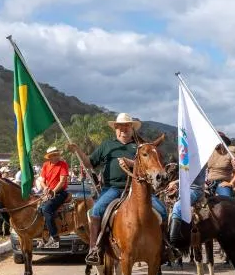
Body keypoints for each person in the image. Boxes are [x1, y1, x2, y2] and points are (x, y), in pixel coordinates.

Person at [68, 112, 168, 265]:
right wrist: (77, 150)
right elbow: (88, 163)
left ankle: (166, 247)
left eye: (127, 126)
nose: (124, 129)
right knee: (96, 211)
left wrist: (130, 162)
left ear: (131, 128)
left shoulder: (139, 146)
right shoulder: (107, 145)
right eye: (120, 127)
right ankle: (94, 249)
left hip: (138, 190)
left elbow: (150, 166)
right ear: (115, 128)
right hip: (113, 188)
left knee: (162, 210)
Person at [167, 132, 235, 243]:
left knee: (178, 206)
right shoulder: (207, 154)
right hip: (208, 182)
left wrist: (232, 183)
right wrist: (176, 183)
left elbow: (192, 176)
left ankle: (173, 241)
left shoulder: (229, 153)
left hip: (215, 184)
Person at [38, 146, 71, 249]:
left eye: (57, 154)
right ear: (49, 157)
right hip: (48, 192)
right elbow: (42, 181)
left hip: (60, 193)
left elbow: (62, 181)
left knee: (46, 209)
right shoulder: (45, 165)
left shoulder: (63, 164)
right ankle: (43, 237)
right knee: (38, 209)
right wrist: (45, 188)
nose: (56, 157)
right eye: (53, 155)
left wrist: (53, 191)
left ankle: (54, 236)